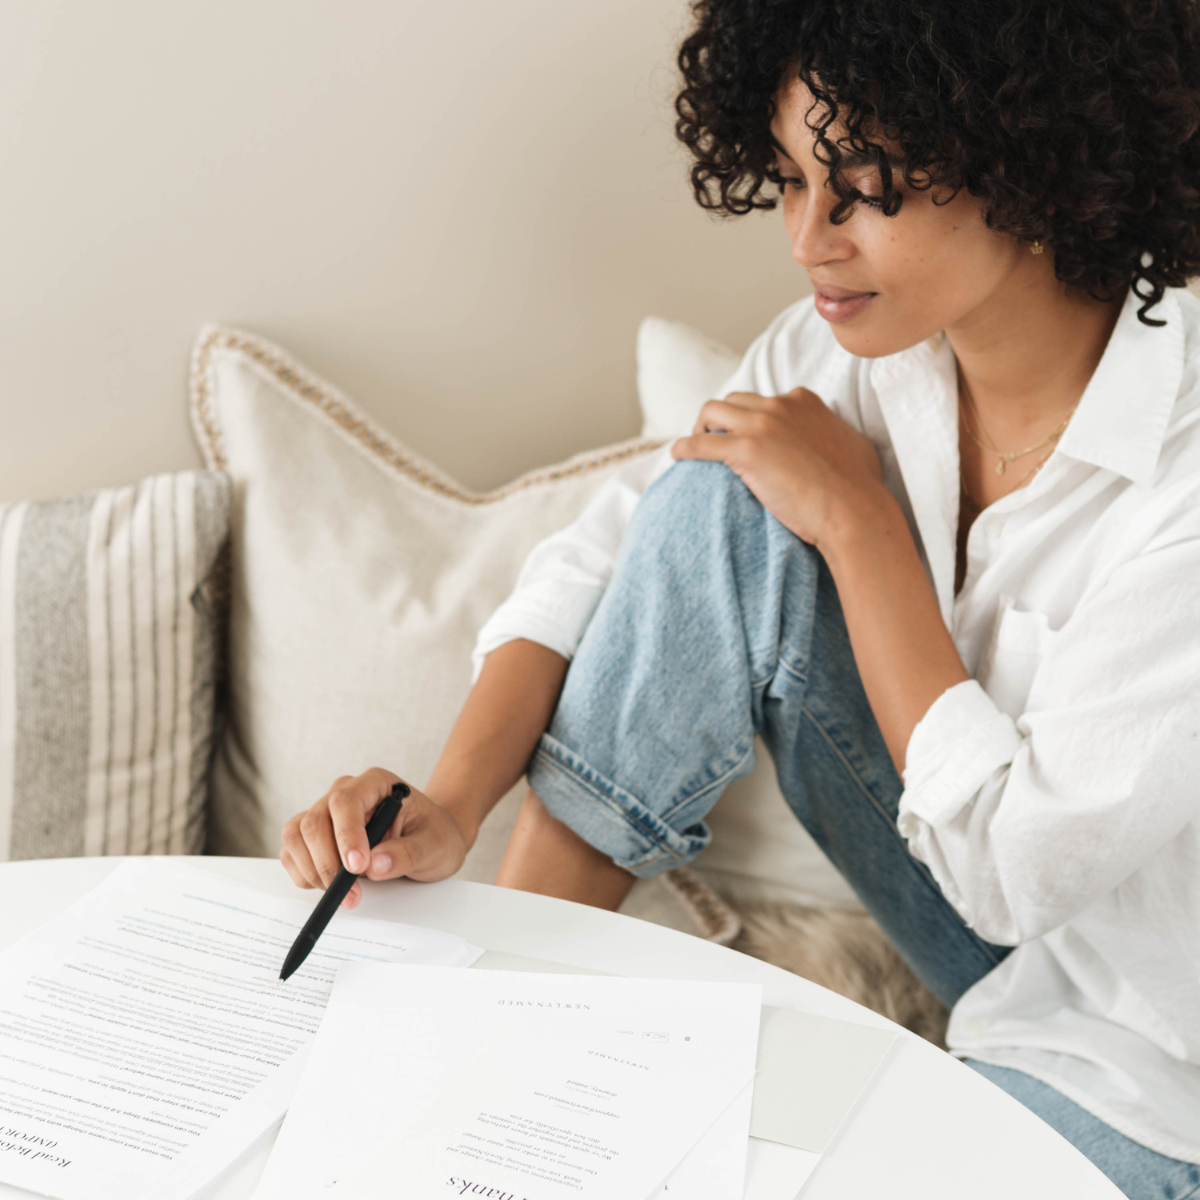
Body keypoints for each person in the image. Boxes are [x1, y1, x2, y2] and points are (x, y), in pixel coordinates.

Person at [280, 1, 1200, 1194]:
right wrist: (450, 805)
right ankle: (505, 1020)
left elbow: (1012, 875)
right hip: (988, 953)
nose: (810, 240)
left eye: (862, 189)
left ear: (1034, 163)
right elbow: (613, 554)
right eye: (789, 181)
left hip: (1157, 1061)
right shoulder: (855, 354)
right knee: (724, 491)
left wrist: (863, 528)